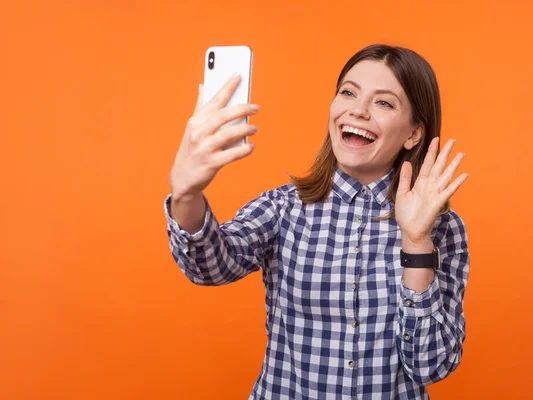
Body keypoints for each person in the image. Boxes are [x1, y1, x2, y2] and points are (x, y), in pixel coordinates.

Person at [164, 44, 470, 400]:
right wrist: (186, 195)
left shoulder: (443, 229)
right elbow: (208, 266)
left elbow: (429, 366)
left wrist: (416, 243)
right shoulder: (283, 208)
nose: (357, 110)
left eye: (383, 102)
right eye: (348, 92)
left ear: (413, 133)